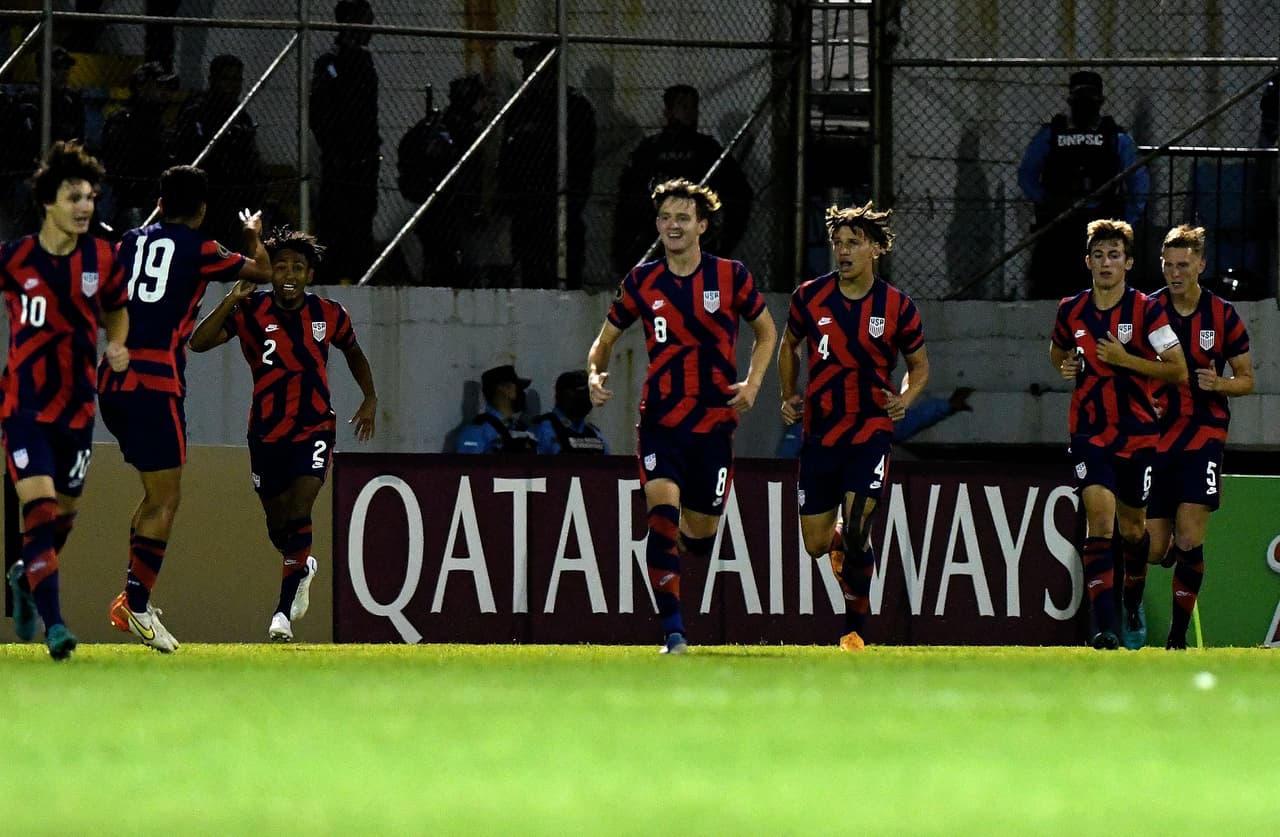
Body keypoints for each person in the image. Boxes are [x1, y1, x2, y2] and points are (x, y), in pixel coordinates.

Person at [587, 178, 777, 654]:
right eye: (667, 217)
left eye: (683, 218)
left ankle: (694, 551)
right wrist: (594, 373)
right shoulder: (642, 281)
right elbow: (604, 341)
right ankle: (674, 632)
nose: (674, 225)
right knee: (661, 518)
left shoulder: (731, 276)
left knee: (700, 531)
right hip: (662, 423)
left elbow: (767, 332)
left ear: (702, 226)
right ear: (658, 224)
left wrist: (752, 386)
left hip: (714, 425)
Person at [97, 164, 273, 653]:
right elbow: (260, 272)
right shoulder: (200, 247)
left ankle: (133, 600)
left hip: (112, 378)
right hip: (155, 383)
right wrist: (254, 235)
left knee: (155, 494)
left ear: (158, 201)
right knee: (166, 499)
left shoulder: (128, 241)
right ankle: (135, 606)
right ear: (201, 209)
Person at [188, 229, 378, 641]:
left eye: (297, 266)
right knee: (279, 525)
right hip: (266, 432)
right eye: (280, 266)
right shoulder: (250, 311)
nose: (288, 273)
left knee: (301, 507)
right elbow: (197, 343)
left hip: (314, 426)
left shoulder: (330, 314)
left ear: (309, 274)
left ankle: (281, 614)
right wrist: (229, 300)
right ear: (269, 272)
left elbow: (354, 352)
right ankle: (302, 564)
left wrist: (370, 398)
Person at [777, 202, 929, 651]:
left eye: (853, 243)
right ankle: (842, 540)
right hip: (820, 433)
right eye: (838, 243)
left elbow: (919, 367)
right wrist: (788, 394)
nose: (843, 252)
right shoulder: (809, 297)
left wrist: (904, 398)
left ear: (876, 249)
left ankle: (854, 628)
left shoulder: (898, 306)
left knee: (861, 525)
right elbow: (790, 346)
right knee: (815, 545)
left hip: (869, 431)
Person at [1, 141, 130, 660]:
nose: (85, 207)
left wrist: (117, 342)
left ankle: (23, 576)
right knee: (40, 508)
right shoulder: (14, 259)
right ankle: (55, 626)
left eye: (90, 198)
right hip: (24, 407)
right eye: (75, 197)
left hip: (78, 407)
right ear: (49, 202)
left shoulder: (103, 257)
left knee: (61, 520)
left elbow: (116, 311)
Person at [1049, 218, 1187, 649]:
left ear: (1128, 262)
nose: (1106, 262)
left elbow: (1178, 370)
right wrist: (1065, 365)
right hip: (1089, 430)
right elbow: (1057, 351)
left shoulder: (1148, 310)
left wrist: (1125, 359)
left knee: (1132, 531)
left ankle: (1131, 600)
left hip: (1139, 433)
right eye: (1098, 255)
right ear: (1087, 261)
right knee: (1100, 519)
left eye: (1114, 255)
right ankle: (1104, 627)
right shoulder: (1071, 308)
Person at [1128, 225, 1252, 650]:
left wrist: (1220, 384)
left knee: (1189, 536)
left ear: (1201, 264)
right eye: (1168, 264)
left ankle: (1176, 638)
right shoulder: (1147, 310)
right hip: (1155, 439)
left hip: (1203, 438)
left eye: (1183, 265)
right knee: (1154, 546)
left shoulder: (1222, 315)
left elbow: (1247, 380)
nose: (1175, 272)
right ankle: (1134, 606)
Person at [1019, 71, 1149, 300]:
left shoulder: (1114, 137)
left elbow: (1138, 181)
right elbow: (1027, 175)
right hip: (1060, 224)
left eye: (1089, 96)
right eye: (1080, 96)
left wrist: (1126, 222)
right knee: (1052, 288)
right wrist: (1048, 202)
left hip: (1100, 223)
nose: (1084, 102)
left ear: (1101, 100)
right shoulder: (1053, 134)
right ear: (1070, 100)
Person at [613, 84, 752, 273]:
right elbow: (628, 198)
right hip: (654, 240)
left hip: (696, 239)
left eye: (692, 107)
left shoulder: (707, 149)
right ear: (668, 111)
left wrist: (724, 239)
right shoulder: (650, 149)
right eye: (682, 106)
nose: (689, 112)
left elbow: (739, 193)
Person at [495, 41, 596, 289]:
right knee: (531, 281)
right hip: (525, 215)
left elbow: (581, 160)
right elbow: (507, 158)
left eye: (531, 64)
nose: (525, 72)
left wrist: (566, 200)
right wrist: (509, 199)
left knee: (565, 278)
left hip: (559, 211)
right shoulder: (520, 107)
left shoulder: (573, 107)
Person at [310, 0, 381, 285]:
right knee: (335, 229)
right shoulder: (330, 62)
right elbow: (319, 115)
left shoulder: (364, 61)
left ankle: (360, 283)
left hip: (364, 162)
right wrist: (337, 151)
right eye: (366, 19)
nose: (372, 26)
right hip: (340, 165)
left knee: (362, 229)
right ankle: (328, 287)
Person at [396, 75, 487, 286]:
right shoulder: (462, 131)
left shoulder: (441, 125)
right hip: (450, 214)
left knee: (438, 267)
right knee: (451, 270)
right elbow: (467, 176)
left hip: (435, 211)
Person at [170, 54, 266, 247]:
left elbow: (250, 157)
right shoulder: (197, 112)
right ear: (213, 80)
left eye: (237, 80)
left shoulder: (241, 116)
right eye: (227, 79)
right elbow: (188, 152)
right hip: (207, 195)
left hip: (236, 196)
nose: (232, 86)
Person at [99, 61, 180, 233]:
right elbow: (116, 162)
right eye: (158, 86)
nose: (164, 92)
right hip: (131, 200)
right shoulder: (123, 120)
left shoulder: (157, 121)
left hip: (156, 197)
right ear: (142, 87)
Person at [455, 364, 538, 454]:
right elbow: (469, 467)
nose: (521, 394)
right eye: (517, 388)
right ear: (505, 389)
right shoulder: (476, 431)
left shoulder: (520, 428)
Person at [530, 370, 608, 455]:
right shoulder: (543, 429)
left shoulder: (595, 434)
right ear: (564, 395)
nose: (587, 397)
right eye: (581, 392)